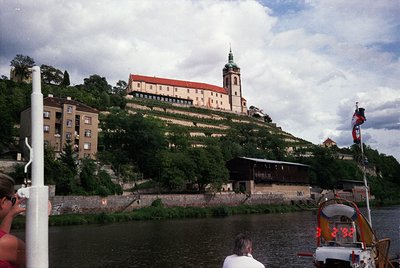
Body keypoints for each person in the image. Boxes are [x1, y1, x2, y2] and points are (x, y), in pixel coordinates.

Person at [0, 173, 26, 268]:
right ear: (3, 202)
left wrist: (10, 214)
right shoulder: (10, 244)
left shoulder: (4, 243)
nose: (13, 203)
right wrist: (44, 216)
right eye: (12, 200)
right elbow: (37, 256)